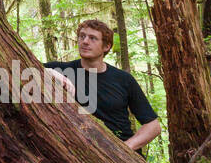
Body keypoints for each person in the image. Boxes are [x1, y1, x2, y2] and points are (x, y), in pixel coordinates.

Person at [45, 19, 161, 155]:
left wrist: (123, 150)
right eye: (82, 36)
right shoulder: (61, 69)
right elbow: (20, 68)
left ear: (106, 47)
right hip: (81, 155)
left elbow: (153, 126)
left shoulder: (123, 79)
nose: (85, 41)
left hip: (125, 157)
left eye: (93, 38)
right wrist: (50, 72)